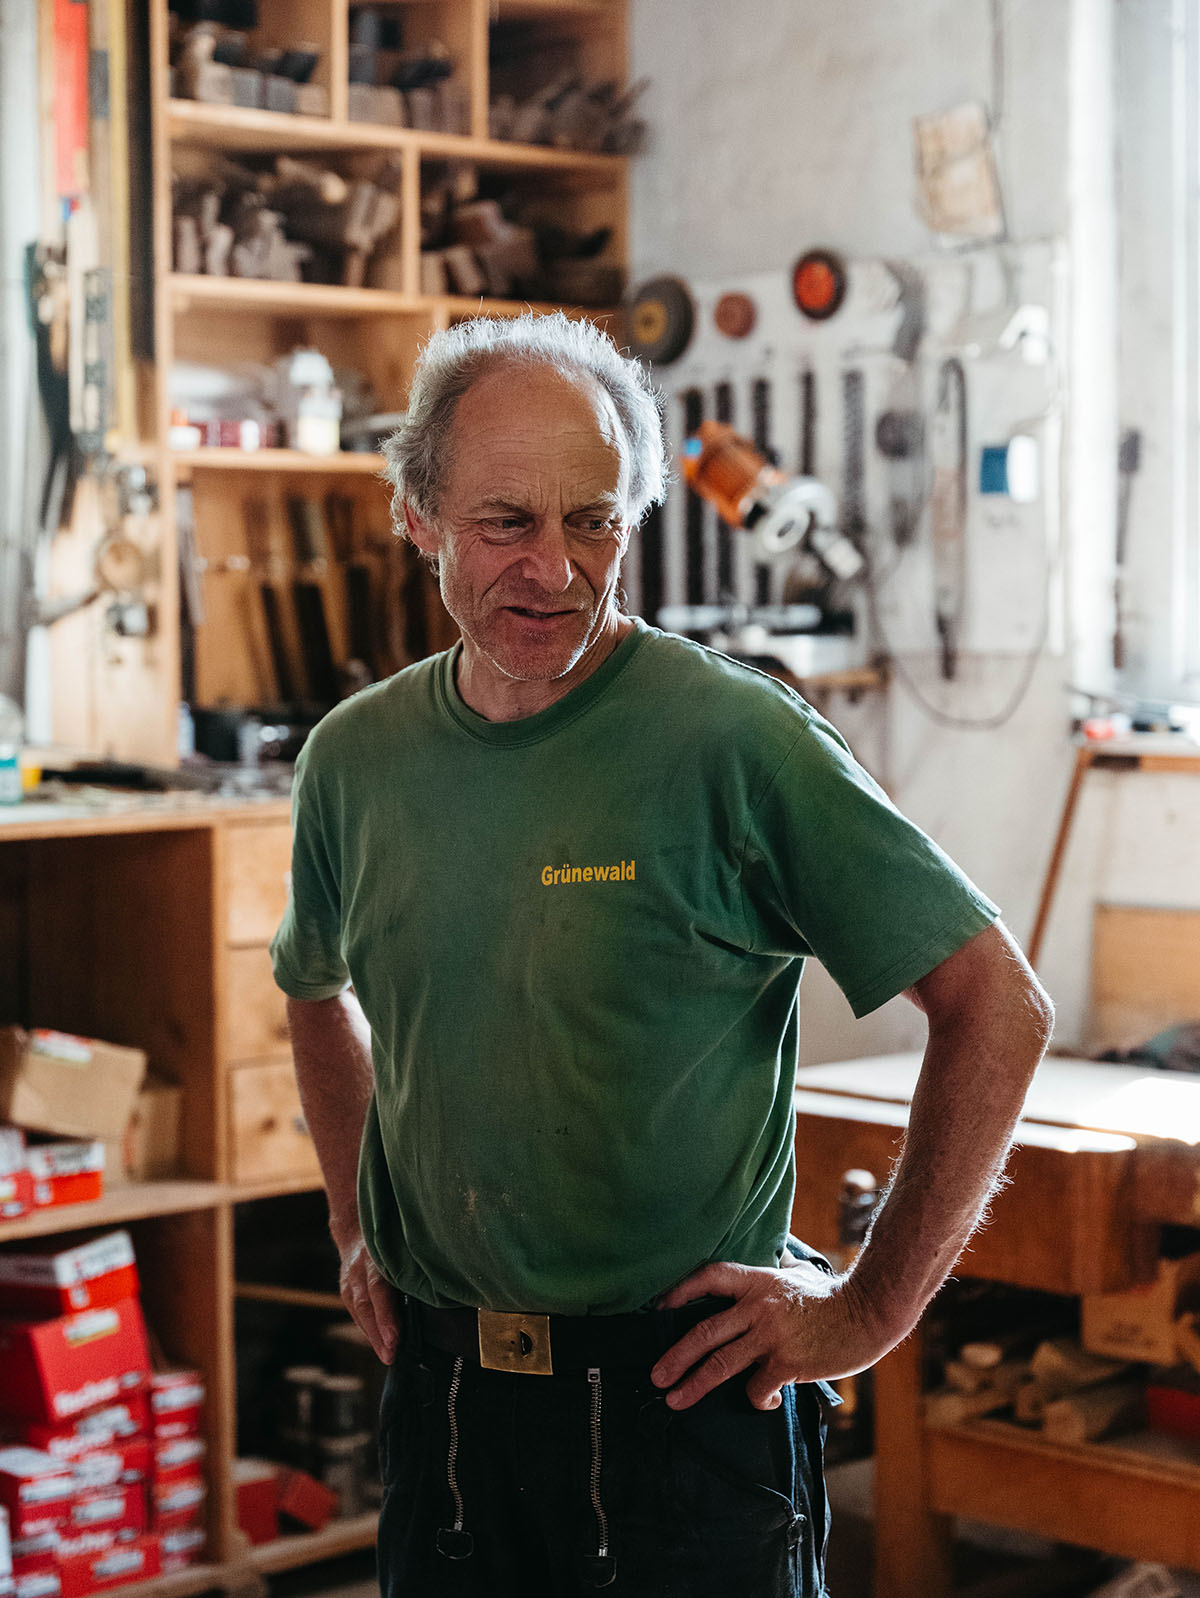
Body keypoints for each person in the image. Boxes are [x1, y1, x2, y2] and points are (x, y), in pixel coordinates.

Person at [270, 312, 1053, 1598]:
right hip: (449, 1410)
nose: (556, 568)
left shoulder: (731, 740)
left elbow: (998, 1004)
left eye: (595, 520)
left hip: (683, 1411)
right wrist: (358, 1225)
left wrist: (863, 1311)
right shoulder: (354, 762)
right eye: (505, 522)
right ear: (417, 514)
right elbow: (314, 990)